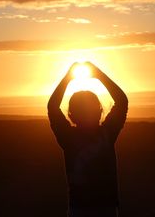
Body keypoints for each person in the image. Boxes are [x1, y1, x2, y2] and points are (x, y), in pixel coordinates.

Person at [47, 62, 128, 217]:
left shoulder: (67, 137)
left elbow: (52, 107)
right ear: (100, 110)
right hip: (104, 208)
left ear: (71, 114)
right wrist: (98, 75)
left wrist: (68, 78)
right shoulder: (108, 133)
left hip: (82, 209)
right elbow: (122, 101)